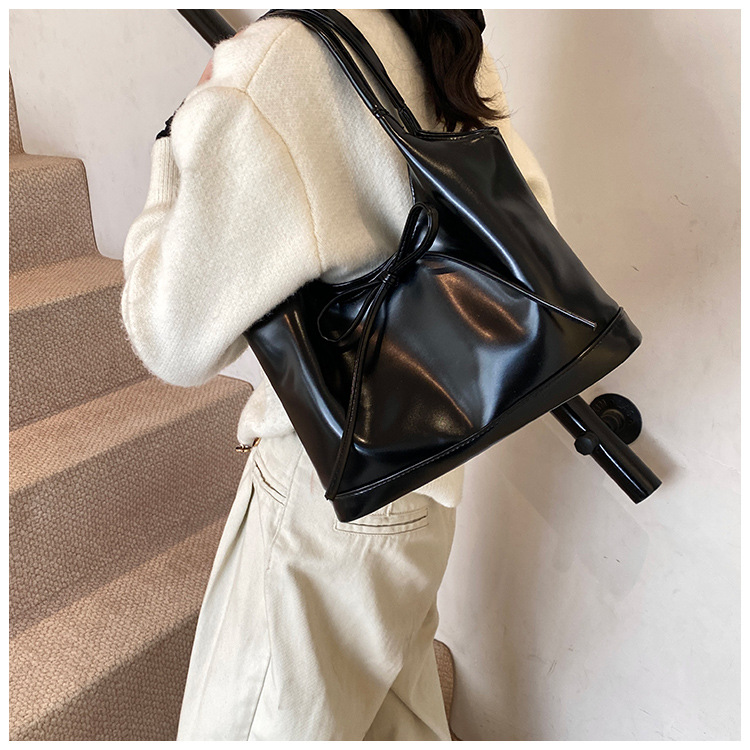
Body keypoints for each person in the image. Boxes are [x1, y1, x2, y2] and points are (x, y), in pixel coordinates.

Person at [120, 9, 557, 741]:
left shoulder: (271, 64)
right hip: (427, 481)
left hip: (323, 491)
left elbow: (171, 341)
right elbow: (534, 225)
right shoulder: (437, 32)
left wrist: (175, 143)